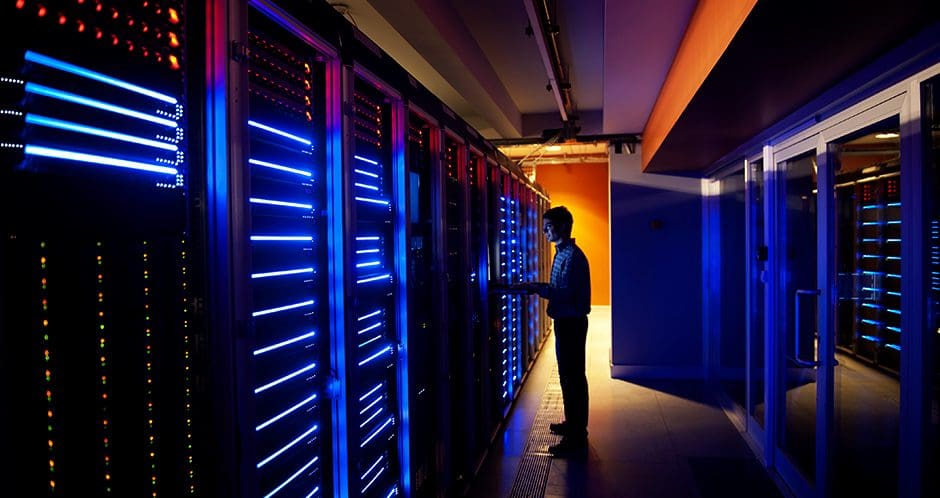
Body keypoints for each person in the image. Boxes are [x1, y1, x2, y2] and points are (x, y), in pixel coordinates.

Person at [512, 205, 591, 456]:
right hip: (566, 321)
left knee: (573, 378)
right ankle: (573, 425)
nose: (544, 231)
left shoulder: (572, 257)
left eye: (548, 227)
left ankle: (577, 437)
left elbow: (564, 293)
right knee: (569, 377)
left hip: (571, 322)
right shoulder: (562, 254)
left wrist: (536, 287)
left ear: (563, 227)